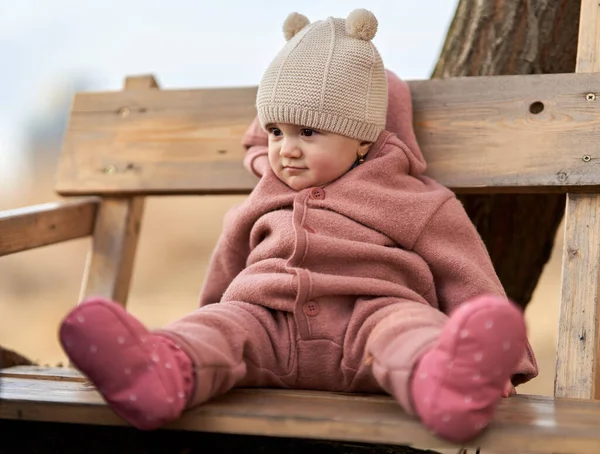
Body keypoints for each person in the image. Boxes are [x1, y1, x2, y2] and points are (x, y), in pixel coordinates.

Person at [58, 9, 538, 443]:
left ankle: (451, 386)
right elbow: (227, 267)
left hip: (371, 318)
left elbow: (465, 268)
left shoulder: (410, 198)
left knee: (413, 333)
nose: (286, 149)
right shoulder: (264, 195)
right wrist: (207, 320)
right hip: (266, 321)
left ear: (363, 141)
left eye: (309, 132)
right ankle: (159, 371)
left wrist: (509, 368)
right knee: (220, 330)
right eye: (275, 132)